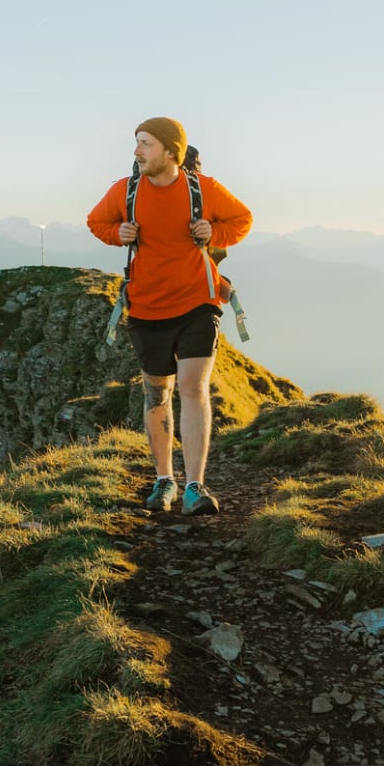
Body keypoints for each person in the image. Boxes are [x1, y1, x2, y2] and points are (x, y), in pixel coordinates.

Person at [86, 116, 253, 515]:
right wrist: (119, 233)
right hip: (146, 306)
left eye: (145, 143)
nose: (137, 151)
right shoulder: (125, 191)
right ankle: (165, 480)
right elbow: (97, 222)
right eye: (137, 142)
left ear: (170, 151)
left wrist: (213, 233)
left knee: (193, 388)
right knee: (157, 392)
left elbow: (242, 219)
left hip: (198, 302)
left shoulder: (203, 190)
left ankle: (195, 486)